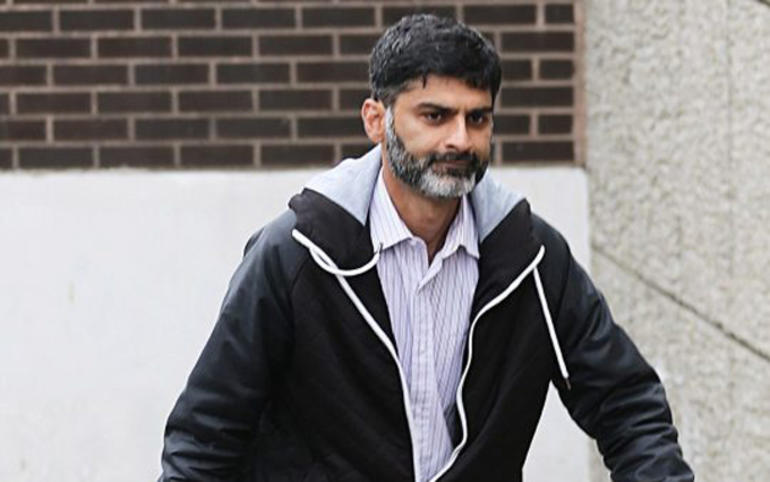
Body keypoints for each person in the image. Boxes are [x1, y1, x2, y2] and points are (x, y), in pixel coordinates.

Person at [159, 14, 693, 482]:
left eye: (477, 118)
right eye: (435, 116)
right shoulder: (296, 253)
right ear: (377, 120)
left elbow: (628, 405)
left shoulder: (529, 258)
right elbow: (205, 436)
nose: (460, 139)